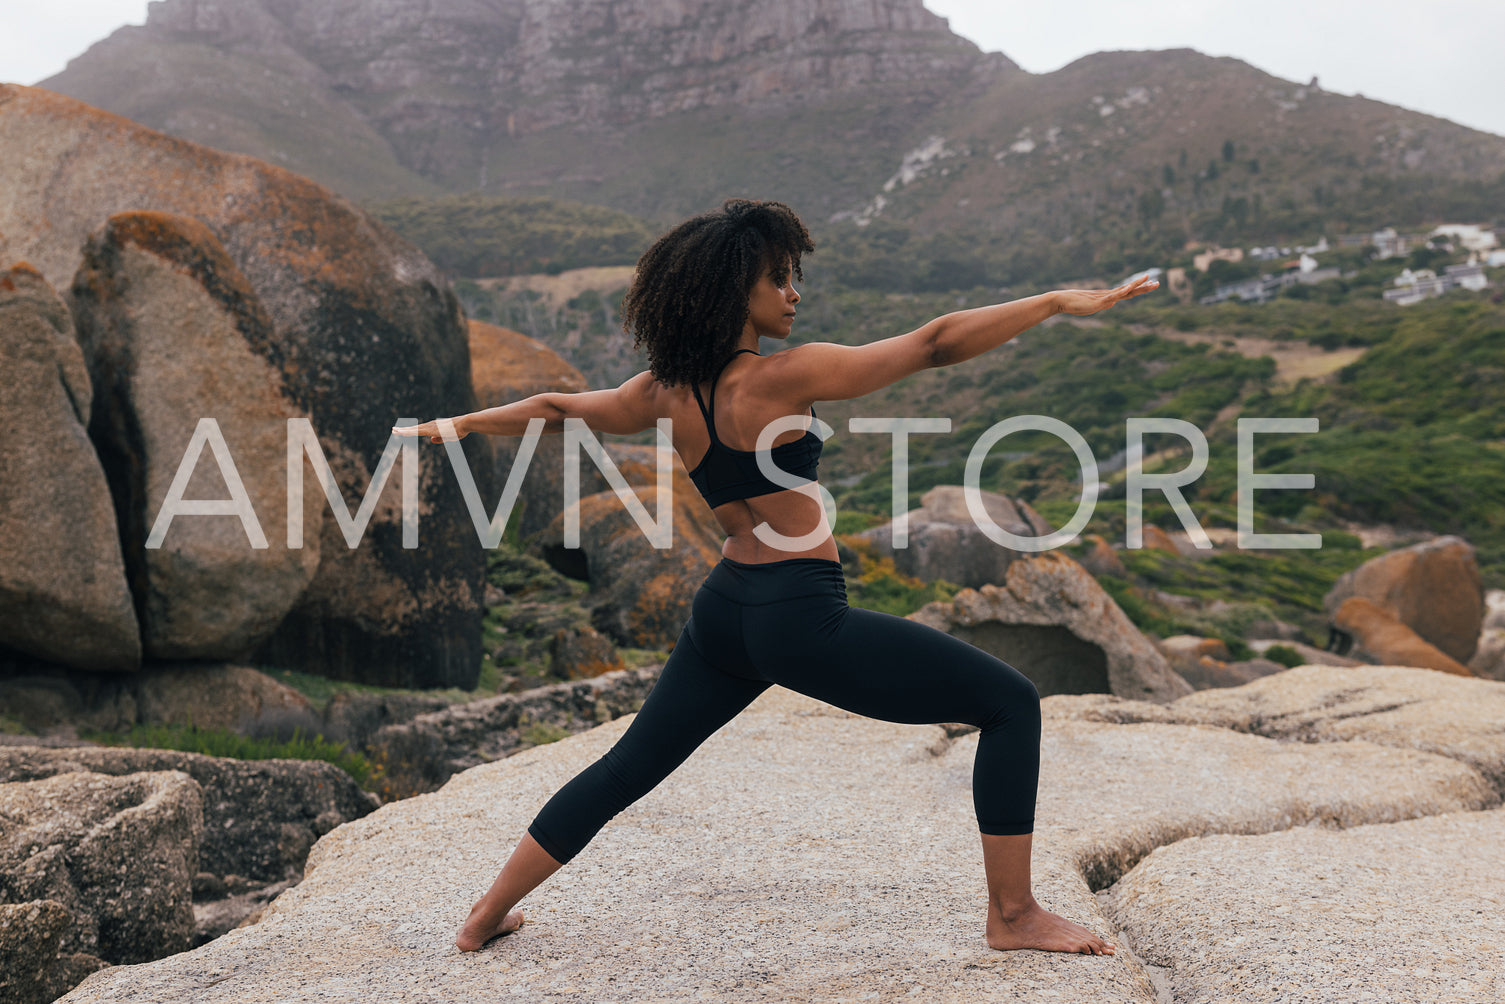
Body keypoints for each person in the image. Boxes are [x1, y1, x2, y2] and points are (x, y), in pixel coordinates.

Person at [393, 198, 1157, 957]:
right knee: (1010, 702)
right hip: (800, 618)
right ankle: (1014, 915)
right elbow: (932, 344)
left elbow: (560, 407)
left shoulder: (664, 389)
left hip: (725, 615)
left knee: (630, 764)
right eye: (778, 280)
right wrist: (1055, 302)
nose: (793, 294)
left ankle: (484, 914)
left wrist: (462, 425)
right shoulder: (788, 376)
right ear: (735, 292)